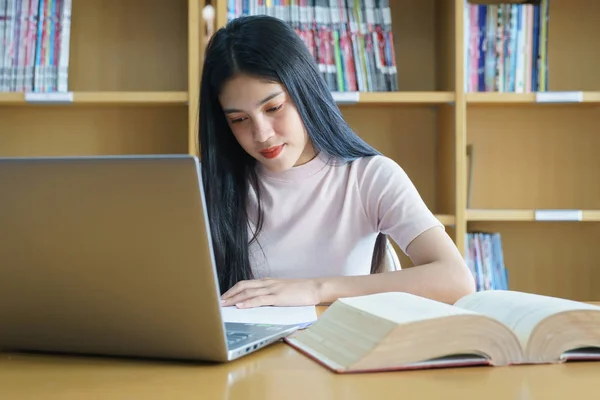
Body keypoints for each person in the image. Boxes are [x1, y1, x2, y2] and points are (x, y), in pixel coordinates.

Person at [198, 15, 475, 309]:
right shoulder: (209, 185)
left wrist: (317, 289)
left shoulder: (368, 177)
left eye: (274, 107)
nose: (262, 134)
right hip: (250, 354)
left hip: (343, 350)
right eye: (239, 119)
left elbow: (456, 281)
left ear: (305, 91)